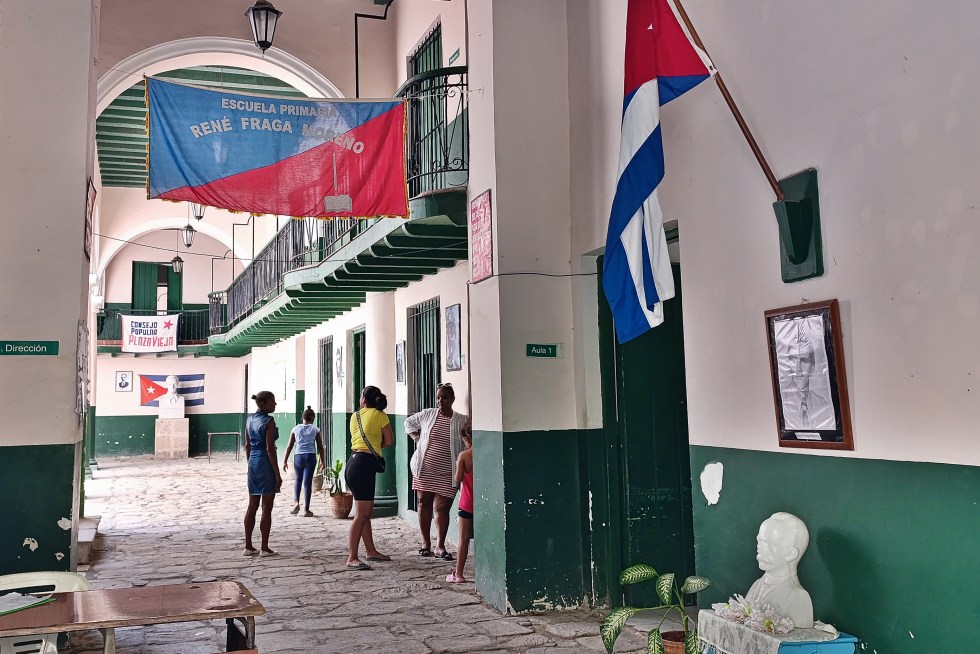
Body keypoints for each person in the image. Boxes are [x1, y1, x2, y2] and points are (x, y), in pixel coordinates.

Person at [405, 382, 469, 560]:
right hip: (424, 468)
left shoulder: (461, 420)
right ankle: (425, 542)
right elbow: (408, 422)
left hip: (448, 472)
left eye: (445, 397)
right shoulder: (428, 414)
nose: (440, 401)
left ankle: (440, 546)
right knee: (423, 503)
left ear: (453, 399)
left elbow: (469, 435)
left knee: (442, 508)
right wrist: (416, 437)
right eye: (438, 397)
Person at [345, 385, 394, 570]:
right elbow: (389, 441)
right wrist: (376, 445)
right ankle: (352, 557)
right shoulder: (380, 416)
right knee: (362, 515)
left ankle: (371, 551)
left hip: (353, 463)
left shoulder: (354, 416)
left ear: (363, 399)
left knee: (365, 513)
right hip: (365, 465)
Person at [745, 512, 814, 628]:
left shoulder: (799, 596)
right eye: (759, 541)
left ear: (791, 554)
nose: (760, 548)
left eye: (769, 544)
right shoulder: (757, 585)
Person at [243, 391, 282, 557]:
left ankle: (248, 546)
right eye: (273, 402)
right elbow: (270, 448)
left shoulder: (249, 419)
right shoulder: (268, 421)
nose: (275, 404)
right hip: (265, 462)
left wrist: (250, 463)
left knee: (252, 506)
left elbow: (247, 446)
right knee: (267, 507)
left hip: (252, 462)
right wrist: (277, 473)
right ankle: (264, 547)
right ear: (264, 403)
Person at [282, 406, 326, 517]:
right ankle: (306, 509)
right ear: (313, 418)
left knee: (298, 479)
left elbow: (289, 446)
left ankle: (296, 502)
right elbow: (320, 447)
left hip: (298, 457)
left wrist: (285, 460)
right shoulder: (315, 429)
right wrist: (322, 461)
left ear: (303, 418)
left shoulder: (295, 429)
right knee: (307, 482)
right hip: (310, 456)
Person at [446, 423, 473, 583]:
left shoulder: (464, 456)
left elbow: (457, 479)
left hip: (466, 503)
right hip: (483, 503)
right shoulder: (485, 453)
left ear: (467, 438)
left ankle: (459, 574)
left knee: (463, 539)